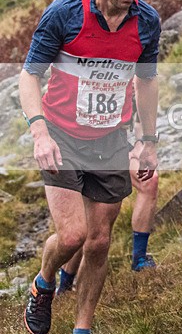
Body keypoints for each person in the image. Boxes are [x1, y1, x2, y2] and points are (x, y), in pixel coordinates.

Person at [19, 0, 160, 334]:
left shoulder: (146, 22)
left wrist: (148, 141)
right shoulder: (65, 15)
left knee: (99, 241)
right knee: (74, 236)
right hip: (61, 136)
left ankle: (83, 329)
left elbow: (147, 81)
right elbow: (29, 76)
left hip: (111, 139)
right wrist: (39, 132)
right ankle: (44, 283)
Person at [57, 104, 160, 295]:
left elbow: (140, 117)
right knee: (86, 224)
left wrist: (139, 144)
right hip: (79, 149)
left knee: (149, 181)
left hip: (117, 147)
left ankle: (139, 259)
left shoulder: (142, 79)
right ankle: (64, 285)